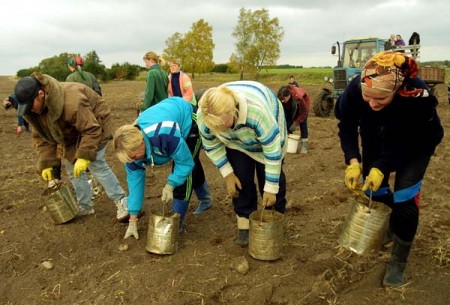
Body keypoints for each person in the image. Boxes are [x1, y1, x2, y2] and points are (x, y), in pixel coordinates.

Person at [335, 51, 443, 287]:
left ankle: (399, 259)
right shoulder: (356, 89)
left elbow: (407, 141)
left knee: (404, 197)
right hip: (377, 135)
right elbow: (347, 124)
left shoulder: (416, 96)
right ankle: (390, 227)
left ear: (396, 91)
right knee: (376, 189)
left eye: (380, 100)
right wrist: (353, 161)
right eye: (368, 97)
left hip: (417, 142)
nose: (372, 104)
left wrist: (382, 166)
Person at [14, 73, 129, 220]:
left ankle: (122, 201)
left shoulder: (71, 101)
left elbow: (91, 129)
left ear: (41, 94)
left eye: (30, 105)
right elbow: (43, 138)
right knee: (72, 168)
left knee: (96, 164)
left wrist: (84, 155)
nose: (29, 110)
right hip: (70, 133)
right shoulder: (35, 111)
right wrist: (47, 163)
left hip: (95, 123)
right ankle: (85, 206)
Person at [197, 81, 287, 247]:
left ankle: (274, 222)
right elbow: (210, 144)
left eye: (223, 125)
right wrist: (228, 173)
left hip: (266, 135)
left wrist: (271, 188)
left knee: (270, 180)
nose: (221, 129)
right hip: (235, 142)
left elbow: (272, 149)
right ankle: (244, 224)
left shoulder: (257, 113)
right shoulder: (206, 115)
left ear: (233, 110)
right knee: (241, 177)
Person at [113, 97, 210, 238]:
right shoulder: (131, 153)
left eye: (133, 157)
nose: (131, 161)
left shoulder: (165, 133)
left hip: (189, 121)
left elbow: (185, 163)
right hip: (166, 117)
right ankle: (206, 199)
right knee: (191, 162)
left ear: (141, 144)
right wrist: (133, 219)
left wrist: (171, 185)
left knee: (185, 169)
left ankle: (177, 223)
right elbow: (135, 183)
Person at [168, 59, 213, 215]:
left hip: (189, 111)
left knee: (185, 161)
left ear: (179, 66)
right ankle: (206, 199)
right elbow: (169, 93)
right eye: (170, 65)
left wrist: (179, 105)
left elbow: (188, 93)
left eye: (174, 65)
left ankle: (178, 216)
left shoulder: (184, 78)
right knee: (193, 161)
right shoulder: (169, 77)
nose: (172, 67)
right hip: (177, 115)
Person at [277, 85, 311, 153]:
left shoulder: (298, 98)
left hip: (303, 106)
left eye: (284, 99)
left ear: (289, 95)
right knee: (287, 121)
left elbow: (304, 112)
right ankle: (288, 142)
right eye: (281, 99)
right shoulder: (283, 99)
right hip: (290, 107)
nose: (282, 101)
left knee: (303, 123)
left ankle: (304, 145)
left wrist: (296, 123)